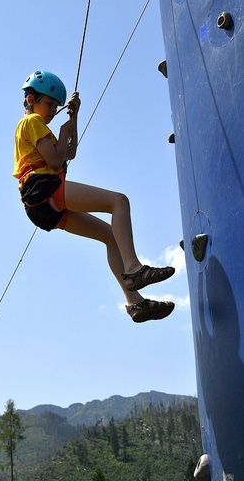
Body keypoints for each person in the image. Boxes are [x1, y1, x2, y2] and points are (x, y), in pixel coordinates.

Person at [13, 70, 175, 323]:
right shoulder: (31, 122)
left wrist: (73, 119)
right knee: (118, 201)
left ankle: (135, 303)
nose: (53, 111)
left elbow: (71, 153)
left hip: (40, 206)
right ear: (32, 99)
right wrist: (65, 131)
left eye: (57, 106)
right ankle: (133, 268)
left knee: (111, 237)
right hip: (42, 187)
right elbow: (56, 159)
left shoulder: (40, 128)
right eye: (49, 104)